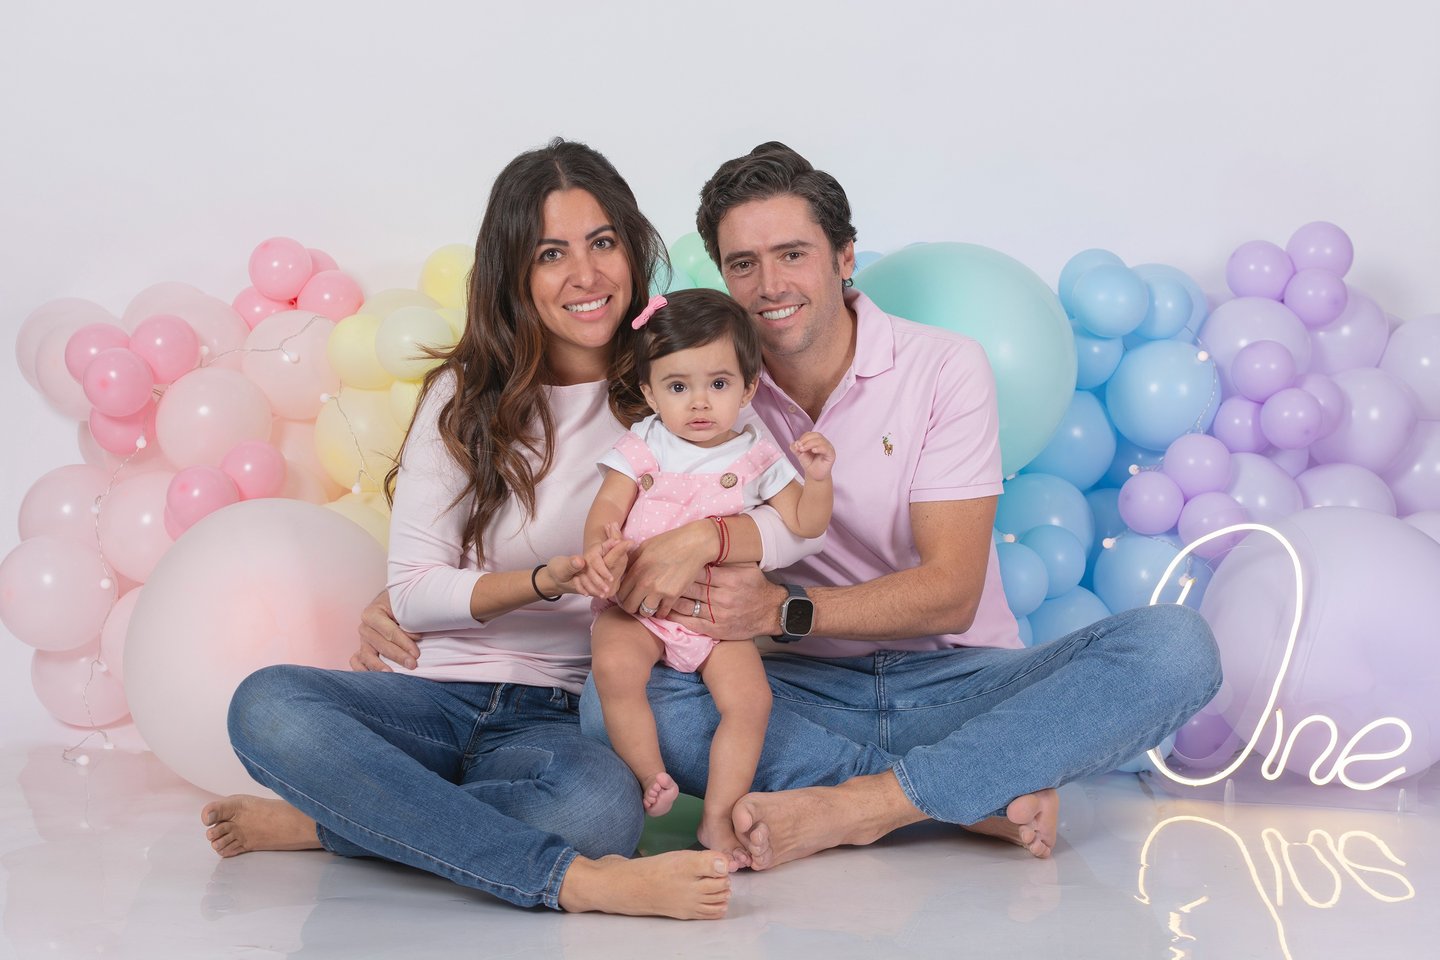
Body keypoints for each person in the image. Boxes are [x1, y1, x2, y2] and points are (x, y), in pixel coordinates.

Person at [198, 139, 806, 920]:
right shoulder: (463, 396)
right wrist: (547, 578)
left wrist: (709, 541)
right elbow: (413, 595)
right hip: (433, 696)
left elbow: (783, 522)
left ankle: (344, 821)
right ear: (514, 272)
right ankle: (578, 882)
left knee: (598, 812)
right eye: (551, 253)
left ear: (632, 248)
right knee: (267, 706)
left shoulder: (679, 379)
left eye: (603, 243)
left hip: (556, 711)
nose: (585, 275)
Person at [578, 141, 1223, 870]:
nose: (768, 285)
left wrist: (775, 608)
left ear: (845, 257)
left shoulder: (943, 365)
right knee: (610, 702)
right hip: (801, 687)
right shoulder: (709, 391)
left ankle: (864, 808)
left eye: (793, 254)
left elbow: (951, 595)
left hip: (958, 681)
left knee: (1176, 650)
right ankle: (971, 788)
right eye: (743, 264)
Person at [574, 287, 834, 870]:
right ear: (648, 392)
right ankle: (651, 776)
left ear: (748, 388)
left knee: (751, 701)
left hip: (716, 615)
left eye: (718, 384)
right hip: (637, 605)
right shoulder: (646, 442)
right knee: (614, 665)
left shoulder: (756, 454)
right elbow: (607, 507)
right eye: (677, 386)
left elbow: (805, 522)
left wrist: (818, 480)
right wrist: (601, 550)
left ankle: (719, 815)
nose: (699, 403)